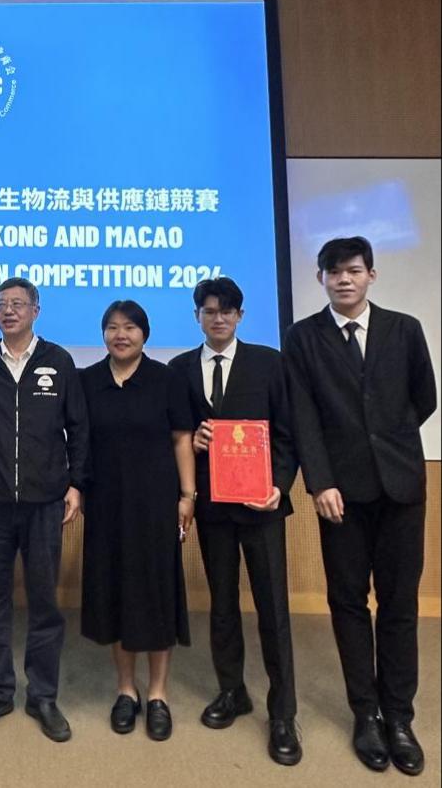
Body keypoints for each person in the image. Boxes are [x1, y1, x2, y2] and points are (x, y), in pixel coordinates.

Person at [284, 236, 436, 776]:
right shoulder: (302, 337)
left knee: (399, 604)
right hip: (339, 494)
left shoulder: (404, 329)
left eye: (353, 270)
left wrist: (389, 442)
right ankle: (365, 714)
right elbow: (302, 414)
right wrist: (321, 481)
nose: (344, 279)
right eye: (334, 272)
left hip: (401, 488)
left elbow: (424, 398)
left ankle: (399, 717)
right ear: (320, 279)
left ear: (372, 275)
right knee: (347, 602)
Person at [169, 278, 301, 765]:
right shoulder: (180, 368)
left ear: (240, 316)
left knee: (273, 608)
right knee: (222, 603)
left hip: (262, 506)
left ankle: (283, 712)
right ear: (197, 317)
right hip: (212, 507)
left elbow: (287, 434)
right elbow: (175, 435)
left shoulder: (269, 362)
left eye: (227, 311)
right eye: (209, 311)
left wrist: (279, 486)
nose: (218, 319)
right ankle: (232, 690)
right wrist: (194, 441)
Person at [0, 277, 89, 742]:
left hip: (45, 502)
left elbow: (78, 427)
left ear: (36, 310)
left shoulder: (58, 360)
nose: (9, 311)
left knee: (44, 601)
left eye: (18, 303)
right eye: (2, 304)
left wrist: (76, 483)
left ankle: (44, 695)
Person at [81, 300, 195, 742]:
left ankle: (158, 694)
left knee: (156, 591)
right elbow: (78, 441)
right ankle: (126, 690)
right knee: (116, 591)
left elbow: (182, 438)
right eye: (112, 327)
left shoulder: (166, 379)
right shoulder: (87, 380)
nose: (120, 335)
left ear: (145, 334)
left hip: (156, 503)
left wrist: (187, 495)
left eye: (129, 327)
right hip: (105, 504)